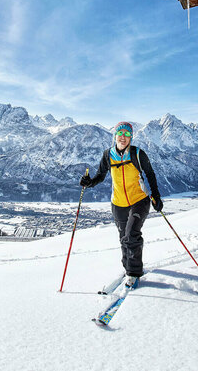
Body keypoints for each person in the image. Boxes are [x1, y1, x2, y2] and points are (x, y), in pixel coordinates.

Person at [79, 121, 163, 288]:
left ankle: (134, 273)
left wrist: (156, 196)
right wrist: (89, 183)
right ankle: (128, 268)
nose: (123, 137)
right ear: (115, 136)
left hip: (139, 200)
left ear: (131, 137)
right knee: (123, 238)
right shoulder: (108, 155)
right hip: (118, 203)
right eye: (120, 134)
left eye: (127, 134)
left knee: (132, 233)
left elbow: (150, 174)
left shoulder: (138, 154)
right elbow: (100, 176)